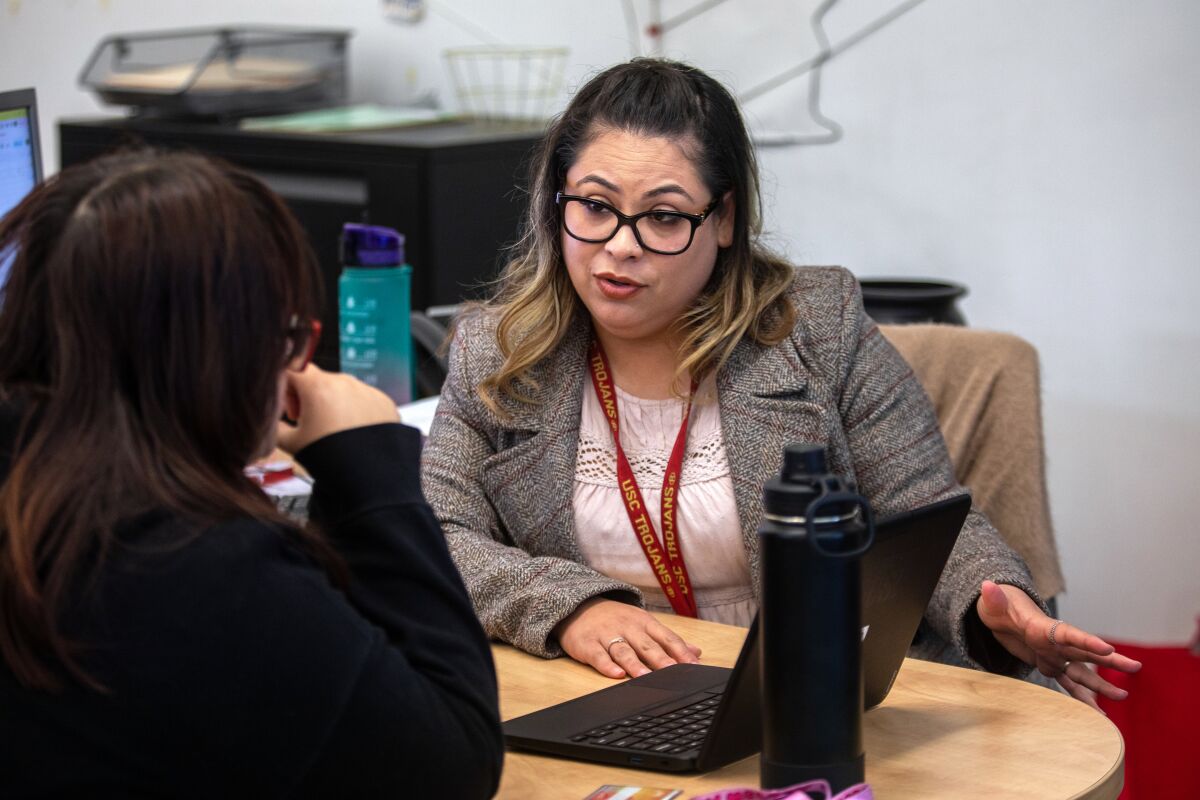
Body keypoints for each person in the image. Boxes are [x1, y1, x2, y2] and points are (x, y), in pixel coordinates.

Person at [420, 58, 1140, 709]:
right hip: (607, 700)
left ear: (725, 218)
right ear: (558, 200)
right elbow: (437, 534)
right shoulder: (497, 351)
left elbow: (921, 511)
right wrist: (572, 608)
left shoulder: (817, 329)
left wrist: (997, 599)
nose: (620, 246)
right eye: (596, 207)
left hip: (814, 701)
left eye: (664, 217)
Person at [0, 151, 502, 797]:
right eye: (288, 339)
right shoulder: (191, 564)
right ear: (229, 360)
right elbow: (450, 764)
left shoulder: (43, 498)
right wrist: (371, 464)